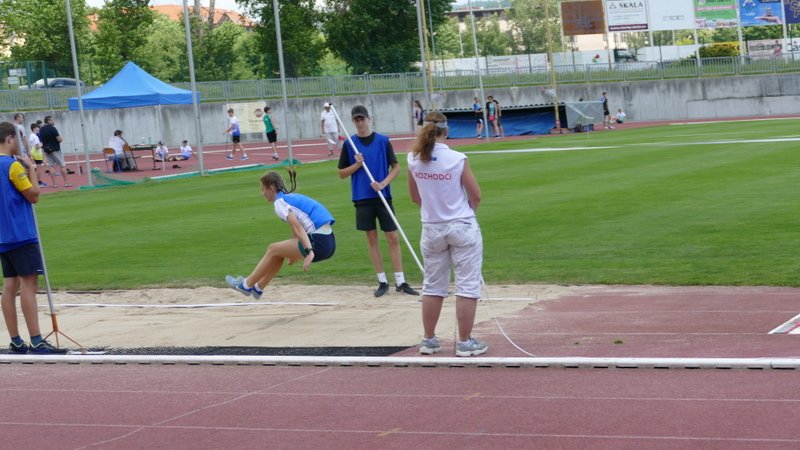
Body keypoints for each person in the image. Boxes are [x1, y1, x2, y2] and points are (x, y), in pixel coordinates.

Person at [406, 112, 486, 357]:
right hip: (460, 224)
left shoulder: (413, 159)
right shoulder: (457, 158)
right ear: (446, 130)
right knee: (467, 283)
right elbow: (476, 195)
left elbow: (414, 197)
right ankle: (464, 341)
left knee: (433, 284)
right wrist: (465, 212)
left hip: (432, 226)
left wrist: (434, 211)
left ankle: (429, 339)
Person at [338, 105, 419, 297]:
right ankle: (382, 280)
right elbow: (341, 173)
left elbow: (396, 167)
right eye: (356, 120)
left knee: (392, 237)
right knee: (372, 238)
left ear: (369, 119)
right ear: (353, 122)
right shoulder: (350, 144)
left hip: (383, 196)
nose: (360, 123)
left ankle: (401, 280)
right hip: (362, 197)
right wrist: (356, 165)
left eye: (362, 119)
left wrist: (383, 184)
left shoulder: (383, 141)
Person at [0, 122, 67, 354]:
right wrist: (31, 167)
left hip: (3, 235)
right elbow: (34, 195)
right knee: (29, 283)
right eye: (17, 138)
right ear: (9, 139)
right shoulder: (11, 166)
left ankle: (16, 340)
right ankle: (36, 339)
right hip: (20, 233)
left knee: (9, 285)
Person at [226, 170, 336, 299]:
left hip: (318, 242)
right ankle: (258, 288)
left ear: (271, 188)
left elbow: (297, 226)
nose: (262, 194)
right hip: (329, 242)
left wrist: (309, 251)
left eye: (263, 189)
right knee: (278, 253)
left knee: (272, 248)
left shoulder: (280, 203)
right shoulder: (290, 197)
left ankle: (246, 285)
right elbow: (295, 225)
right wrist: (294, 248)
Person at [38, 115, 72, 188]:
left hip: (47, 149)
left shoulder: (41, 129)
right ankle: (66, 182)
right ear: (48, 121)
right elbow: (59, 139)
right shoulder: (53, 129)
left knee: (51, 166)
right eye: (52, 120)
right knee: (62, 165)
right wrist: (61, 139)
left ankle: (55, 184)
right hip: (55, 149)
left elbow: (41, 139)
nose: (53, 121)